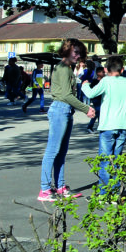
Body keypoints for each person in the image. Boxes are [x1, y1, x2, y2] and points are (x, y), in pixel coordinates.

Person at [39, 39, 96, 201]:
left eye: (80, 53)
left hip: (65, 110)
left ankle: (60, 186)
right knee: (53, 151)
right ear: (66, 50)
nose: (78, 56)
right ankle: (45, 189)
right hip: (60, 109)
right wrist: (86, 108)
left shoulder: (66, 68)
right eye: (75, 52)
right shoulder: (63, 68)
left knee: (61, 152)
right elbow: (65, 95)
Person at [84, 56, 126, 192]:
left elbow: (91, 93)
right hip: (122, 126)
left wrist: (84, 85)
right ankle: (115, 192)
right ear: (122, 69)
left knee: (105, 161)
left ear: (105, 69)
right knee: (117, 160)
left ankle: (104, 193)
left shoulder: (105, 81)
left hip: (107, 126)